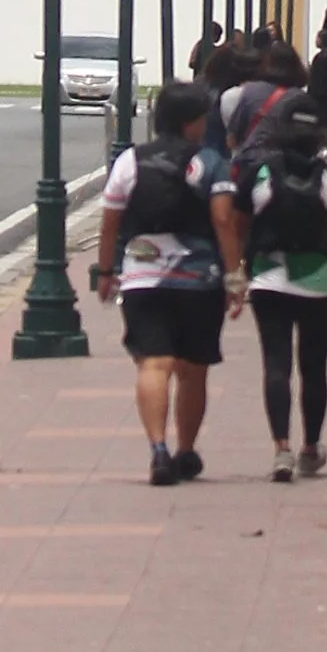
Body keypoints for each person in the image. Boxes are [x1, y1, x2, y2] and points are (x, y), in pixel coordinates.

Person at [92, 83, 246, 484]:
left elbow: (110, 221)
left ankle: (157, 447)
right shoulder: (212, 163)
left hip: (143, 277)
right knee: (193, 370)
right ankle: (186, 449)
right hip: (200, 279)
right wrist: (234, 276)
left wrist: (106, 272)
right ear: (191, 121)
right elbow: (224, 221)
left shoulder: (131, 161)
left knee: (154, 363)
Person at [233, 91, 327, 480]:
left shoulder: (261, 172)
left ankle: (281, 450)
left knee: (276, 363)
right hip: (317, 280)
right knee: (314, 365)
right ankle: (311, 447)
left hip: (268, 277)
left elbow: (239, 226)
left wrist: (241, 267)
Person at [223, 31, 306, 159]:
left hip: (254, 163)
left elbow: (232, 139)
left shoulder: (251, 91)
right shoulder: (300, 98)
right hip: (288, 165)